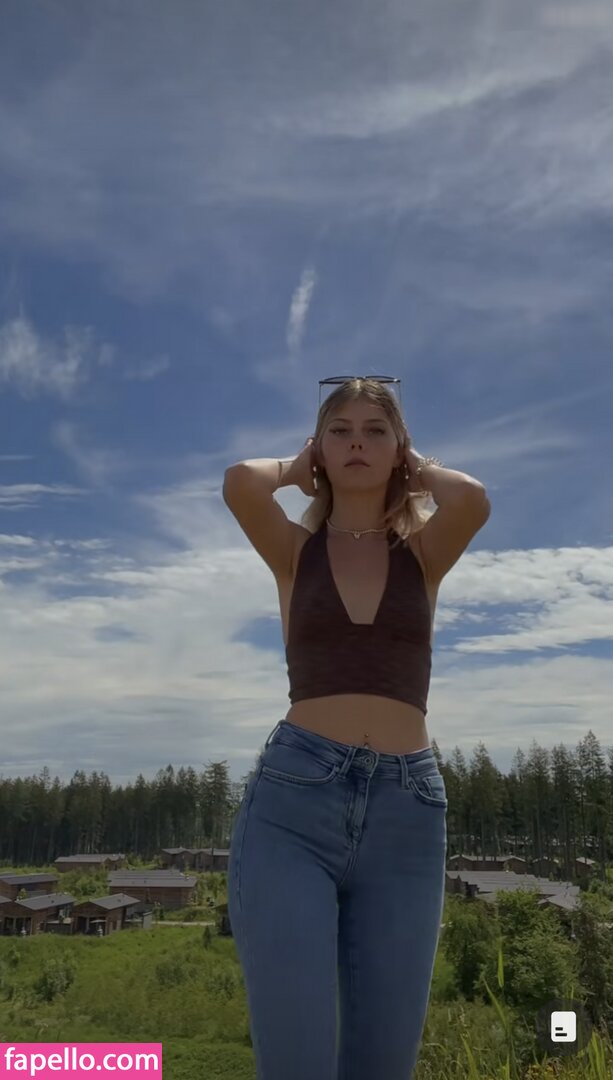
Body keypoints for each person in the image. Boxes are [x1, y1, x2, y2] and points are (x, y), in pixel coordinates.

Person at [223, 376, 491, 1079]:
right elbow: (240, 483)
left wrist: (416, 466)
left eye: (375, 430)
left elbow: (471, 499)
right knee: (297, 1061)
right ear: (319, 447)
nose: (356, 443)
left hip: (408, 813)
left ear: (399, 448)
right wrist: (294, 466)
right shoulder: (294, 551)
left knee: (384, 1064)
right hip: (294, 804)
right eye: (339, 430)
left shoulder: (423, 556)